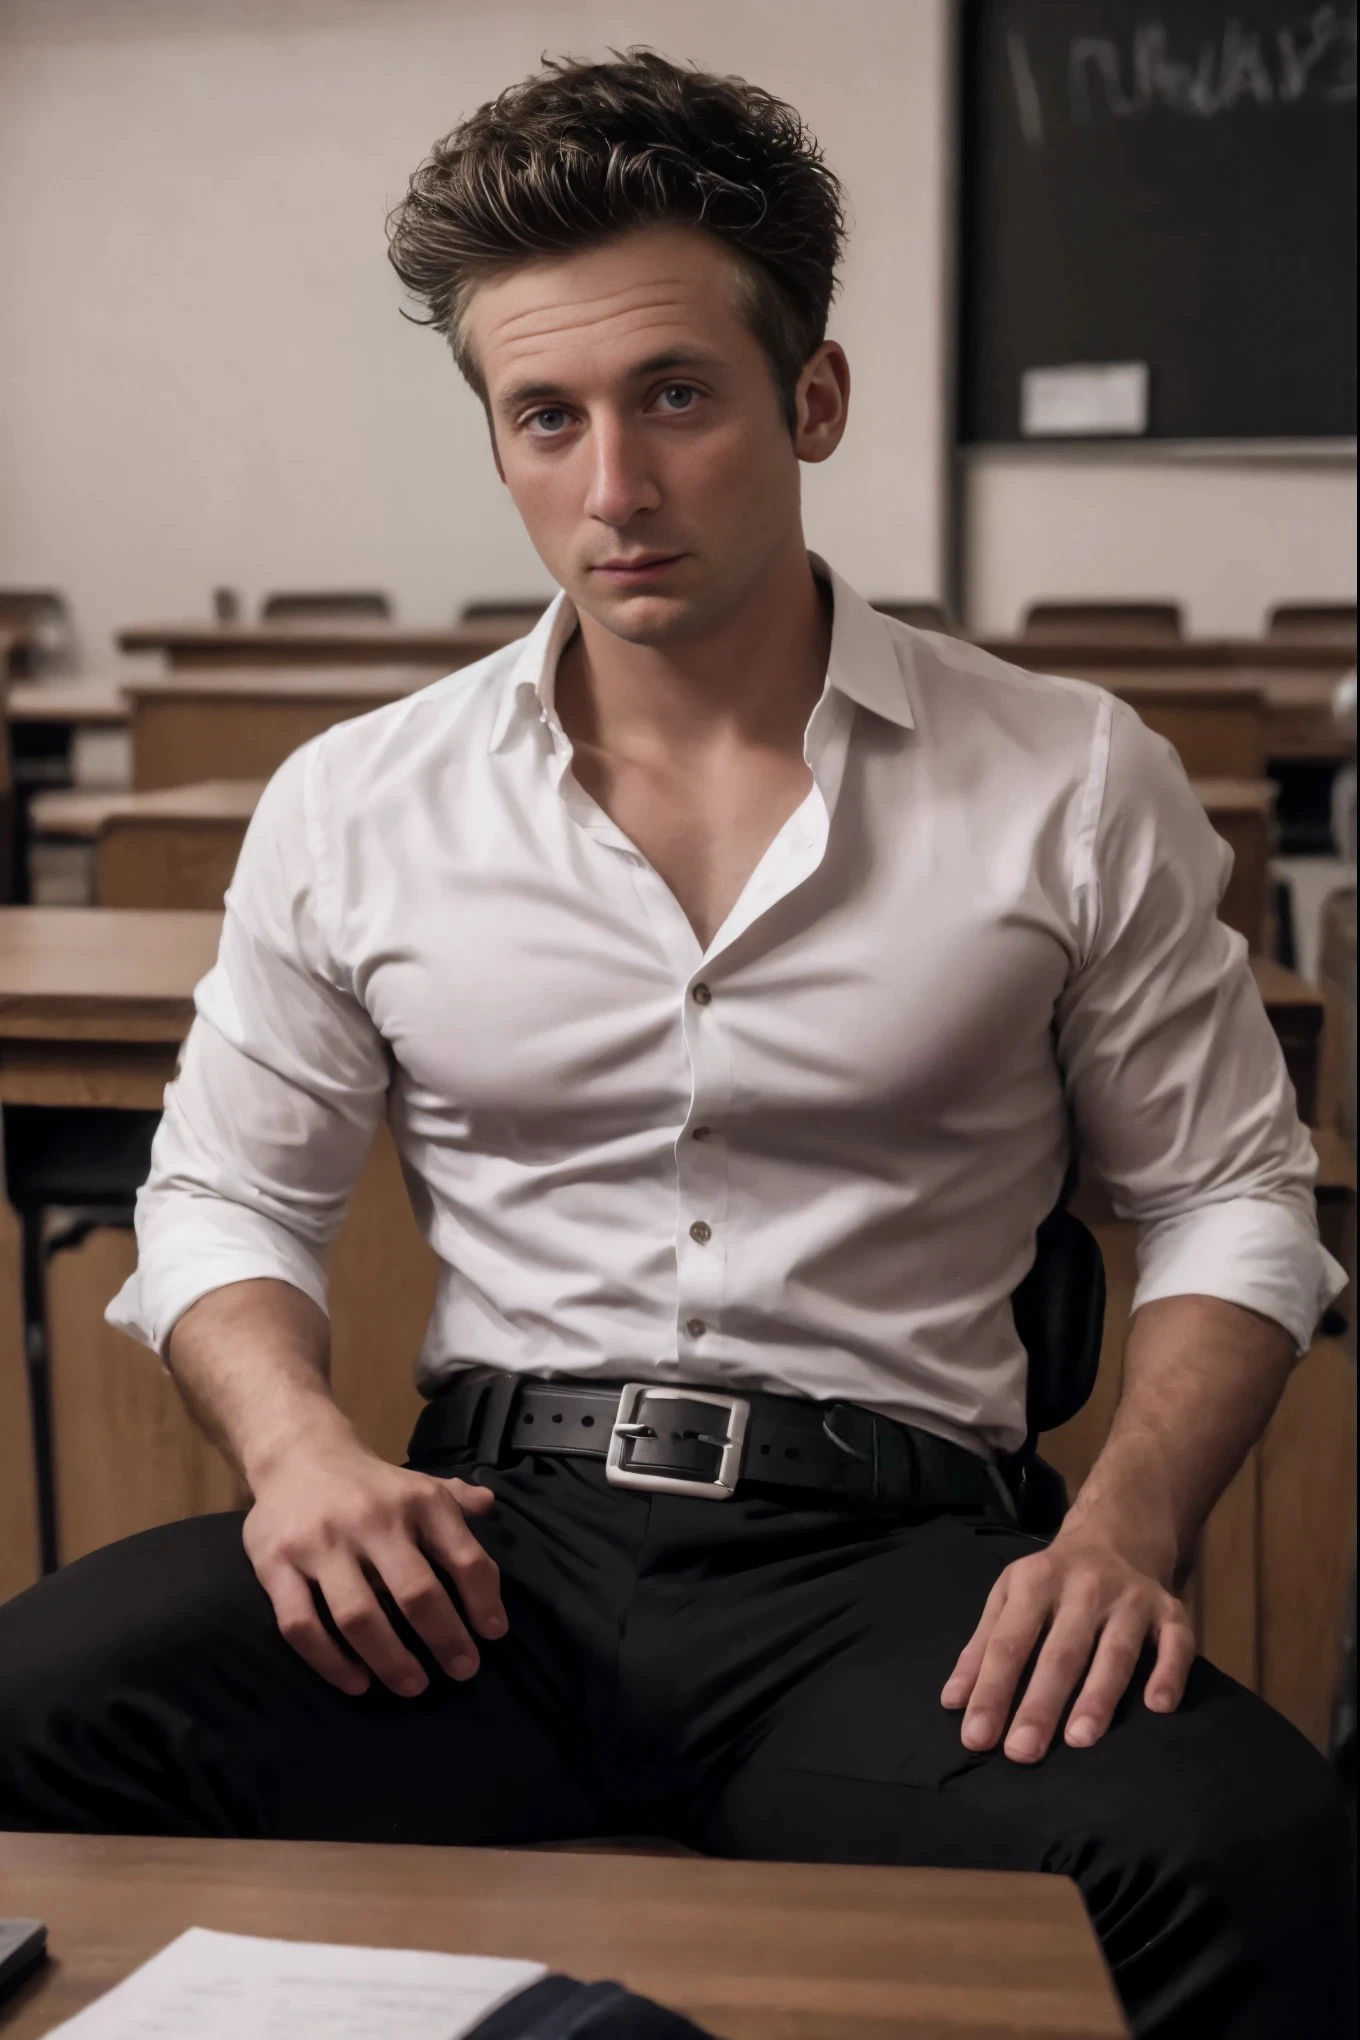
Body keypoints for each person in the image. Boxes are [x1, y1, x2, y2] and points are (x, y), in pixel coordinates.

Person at [0, 51, 1351, 2038]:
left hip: (890, 1581)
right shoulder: (354, 799)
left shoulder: (1067, 778)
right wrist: (294, 1458)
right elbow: (217, 1192)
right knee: (27, 1713)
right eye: (544, 417)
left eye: (675, 399)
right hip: (481, 1568)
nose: (611, 489)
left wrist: (1124, 1528)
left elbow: (1232, 1201)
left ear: (807, 398)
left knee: (1253, 1860)